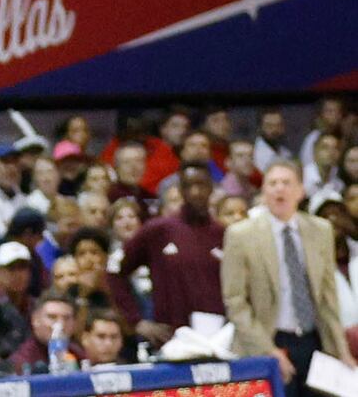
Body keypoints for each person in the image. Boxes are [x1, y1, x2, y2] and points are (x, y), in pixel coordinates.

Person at [225, 162, 351, 397]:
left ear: (300, 191)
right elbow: (235, 302)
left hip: (313, 340)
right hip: (269, 338)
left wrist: (341, 350)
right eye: (272, 183)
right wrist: (268, 350)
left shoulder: (320, 230)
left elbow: (327, 298)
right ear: (263, 191)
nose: (279, 189)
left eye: (286, 183)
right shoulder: (240, 235)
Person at [129, 161, 225, 342]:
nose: (195, 192)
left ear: (212, 188)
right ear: (180, 190)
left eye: (201, 185)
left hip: (218, 339)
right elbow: (115, 271)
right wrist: (136, 320)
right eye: (188, 186)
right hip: (170, 340)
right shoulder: (158, 230)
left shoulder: (223, 234)